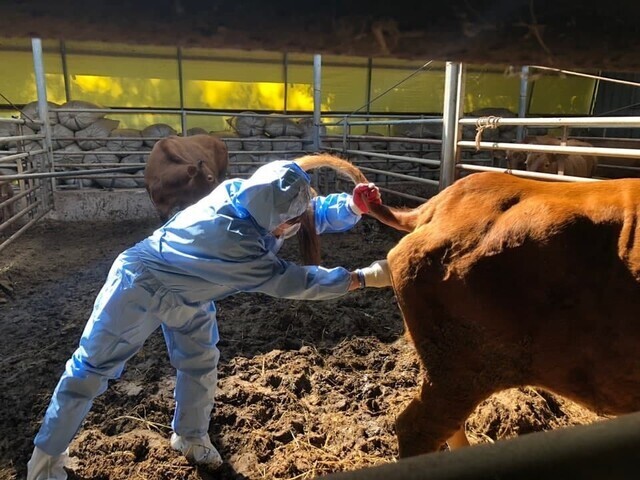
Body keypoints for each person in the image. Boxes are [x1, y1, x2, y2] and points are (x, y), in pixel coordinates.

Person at [27, 160, 391, 480]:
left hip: (194, 290)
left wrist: (350, 206)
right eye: (290, 221)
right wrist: (360, 278)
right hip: (139, 286)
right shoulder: (235, 241)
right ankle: (45, 457)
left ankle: (190, 435)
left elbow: (305, 212)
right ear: (277, 220)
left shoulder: (249, 196)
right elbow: (292, 281)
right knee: (91, 368)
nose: (298, 223)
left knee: (201, 363)